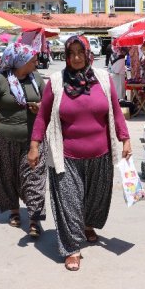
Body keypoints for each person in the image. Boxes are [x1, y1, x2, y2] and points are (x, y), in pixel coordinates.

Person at [28, 36, 131, 271]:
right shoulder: (55, 82)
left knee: (95, 200)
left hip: (101, 154)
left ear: (87, 54)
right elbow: (42, 116)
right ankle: (72, 248)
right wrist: (34, 145)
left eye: (80, 52)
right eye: (71, 52)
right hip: (67, 156)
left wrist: (125, 139)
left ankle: (87, 225)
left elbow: (115, 111)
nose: (76, 57)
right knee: (69, 202)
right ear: (65, 55)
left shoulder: (103, 79)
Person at [0, 43, 47, 237]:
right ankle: (14, 211)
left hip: (33, 139)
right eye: (32, 59)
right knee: (8, 176)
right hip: (5, 138)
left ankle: (35, 218)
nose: (36, 61)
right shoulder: (0, 81)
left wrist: (41, 106)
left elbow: (48, 101)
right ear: (20, 61)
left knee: (34, 177)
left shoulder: (37, 79)